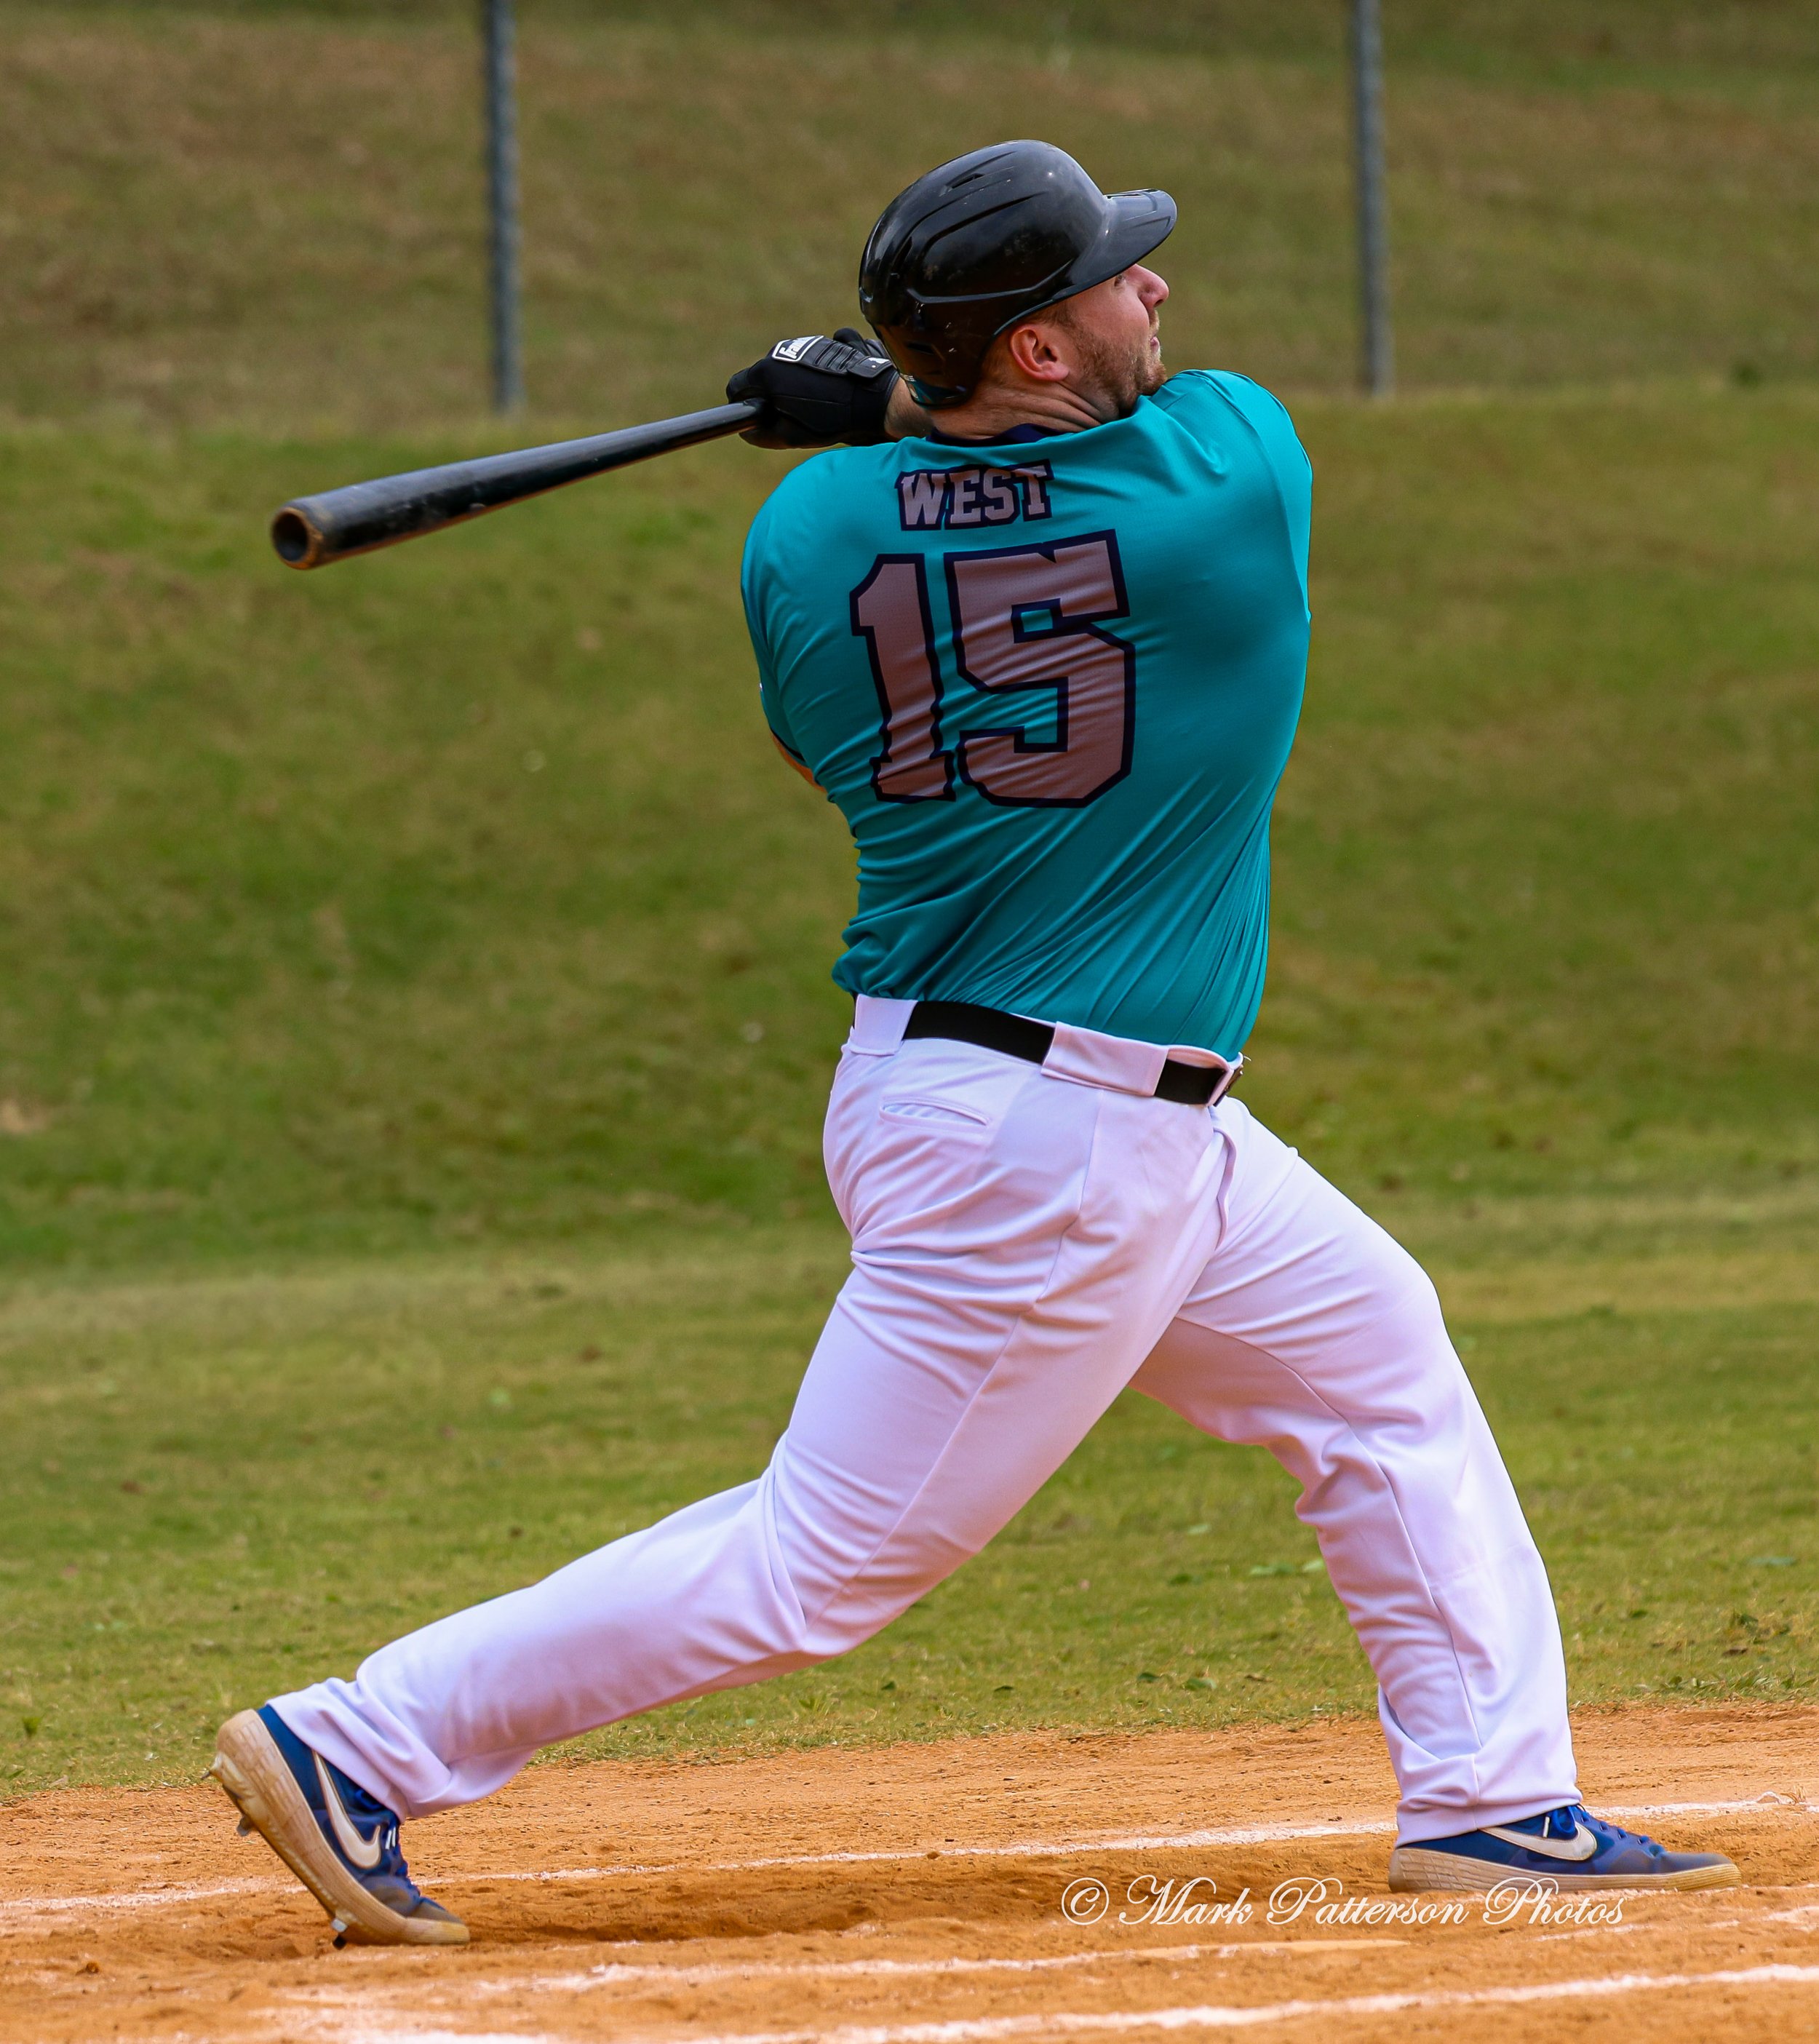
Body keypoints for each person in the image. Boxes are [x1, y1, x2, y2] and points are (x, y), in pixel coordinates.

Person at [211, 140, 1737, 1946]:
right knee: (818, 1562)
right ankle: (360, 1743)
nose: (1152, 290)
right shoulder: (1232, 477)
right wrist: (881, 410)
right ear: (1024, 349)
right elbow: (1103, 449)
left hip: (1007, 1095)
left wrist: (877, 425)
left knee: (1373, 1368)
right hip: (1051, 1148)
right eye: (1112, 276)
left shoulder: (802, 533)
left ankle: (1493, 1798)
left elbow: (842, 711)